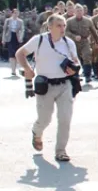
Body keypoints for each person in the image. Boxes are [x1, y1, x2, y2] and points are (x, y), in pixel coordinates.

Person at [16, 14, 80, 162]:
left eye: (64, 25)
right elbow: (20, 53)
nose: (62, 28)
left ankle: (61, 150)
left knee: (65, 118)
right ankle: (37, 132)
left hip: (65, 84)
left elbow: (76, 62)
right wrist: (27, 69)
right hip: (45, 86)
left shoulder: (68, 43)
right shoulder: (39, 40)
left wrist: (74, 70)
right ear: (49, 26)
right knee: (45, 119)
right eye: (59, 25)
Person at [65, 4, 98, 83]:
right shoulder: (69, 21)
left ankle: (87, 75)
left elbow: (94, 31)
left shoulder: (88, 21)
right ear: (74, 12)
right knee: (75, 59)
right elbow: (66, 32)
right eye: (77, 11)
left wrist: (97, 42)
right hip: (73, 43)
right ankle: (76, 75)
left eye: (80, 11)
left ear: (83, 11)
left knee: (87, 56)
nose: (79, 12)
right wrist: (74, 36)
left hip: (85, 41)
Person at [3, 8, 25, 76]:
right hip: (10, 37)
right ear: (12, 13)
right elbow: (5, 30)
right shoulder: (8, 20)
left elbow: (22, 30)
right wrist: (3, 39)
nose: (16, 14)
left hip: (17, 37)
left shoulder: (20, 21)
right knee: (11, 54)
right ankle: (13, 70)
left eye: (17, 13)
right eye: (15, 13)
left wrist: (21, 37)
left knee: (17, 54)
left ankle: (17, 68)